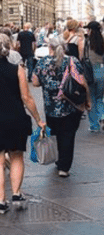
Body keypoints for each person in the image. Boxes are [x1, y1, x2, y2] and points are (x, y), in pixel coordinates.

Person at [0, 33, 45, 214]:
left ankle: (1, 201)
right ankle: (16, 193)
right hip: (15, 116)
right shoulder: (18, 70)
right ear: (10, 49)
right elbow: (26, 97)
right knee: (16, 157)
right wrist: (38, 118)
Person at [33, 35, 90, 177]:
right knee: (68, 135)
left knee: (56, 134)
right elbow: (82, 82)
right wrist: (87, 100)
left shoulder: (42, 63)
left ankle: (59, 159)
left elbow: (35, 82)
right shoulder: (72, 61)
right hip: (71, 106)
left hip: (51, 107)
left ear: (50, 47)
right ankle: (64, 167)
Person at [83, 21, 104, 132]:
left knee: (91, 99)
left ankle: (94, 126)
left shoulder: (87, 42)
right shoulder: (102, 41)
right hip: (101, 70)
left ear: (91, 30)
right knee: (100, 98)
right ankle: (103, 116)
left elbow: (83, 56)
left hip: (90, 71)